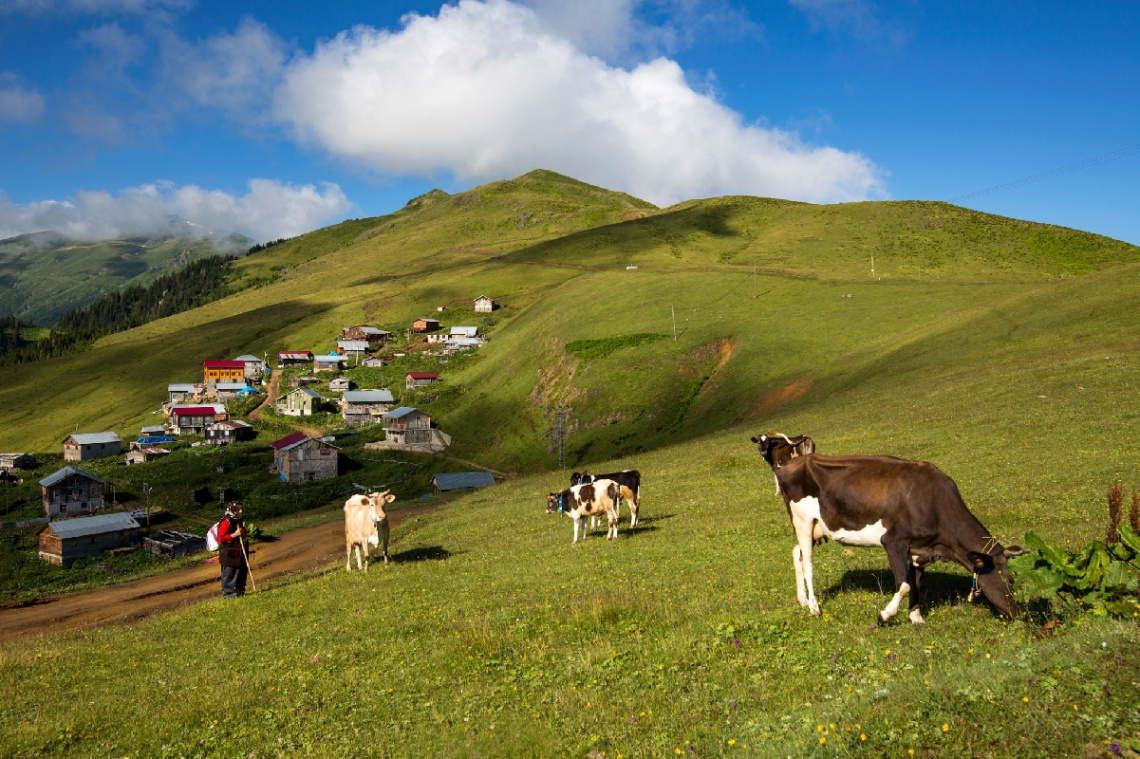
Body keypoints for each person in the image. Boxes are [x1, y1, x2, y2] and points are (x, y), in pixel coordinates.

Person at [217, 501, 249, 598]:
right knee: (229, 574)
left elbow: (243, 534)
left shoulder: (237, 520)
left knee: (241, 572)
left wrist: (242, 533)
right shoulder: (226, 522)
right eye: (238, 509)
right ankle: (229, 594)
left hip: (238, 553)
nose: (241, 511)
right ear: (233, 510)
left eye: (241, 508)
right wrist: (234, 534)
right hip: (229, 554)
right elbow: (221, 539)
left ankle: (240, 591)